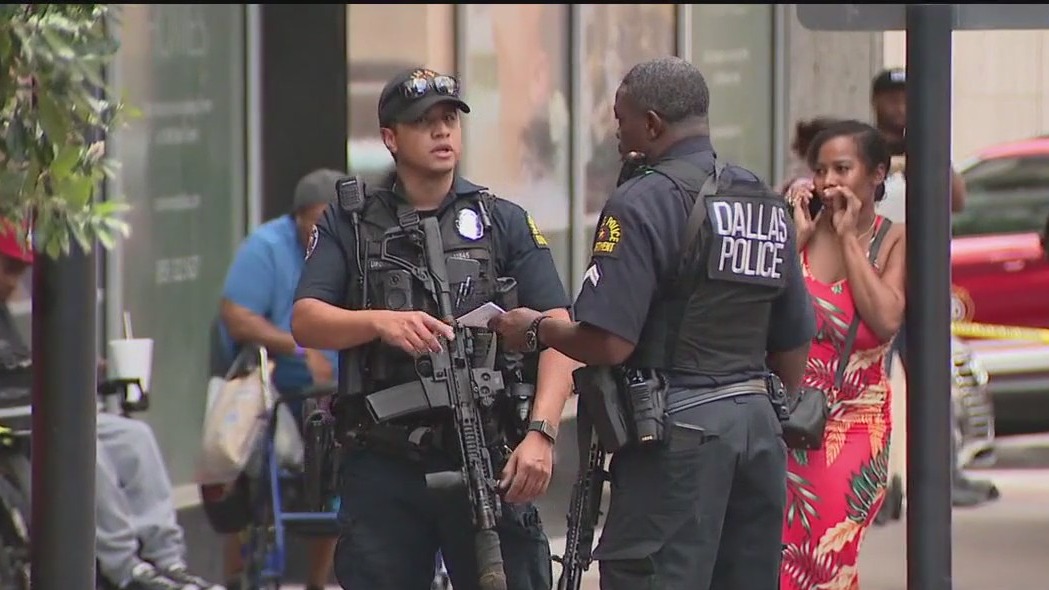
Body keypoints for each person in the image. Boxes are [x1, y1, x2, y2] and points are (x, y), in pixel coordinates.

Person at [490, 56, 815, 590]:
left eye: (622, 121)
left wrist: (536, 329)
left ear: (654, 123)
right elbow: (793, 344)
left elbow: (609, 342)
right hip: (759, 436)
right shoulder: (761, 200)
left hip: (676, 440)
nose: (616, 135)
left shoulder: (641, 202)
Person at [290, 66, 578, 590]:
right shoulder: (351, 224)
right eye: (426, 122)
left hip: (489, 453)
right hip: (385, 462)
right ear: (390, 138)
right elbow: (306, 320)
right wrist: (379, 322)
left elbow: (561, 331)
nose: (443, 132)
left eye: (450, 119)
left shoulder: (501, 220)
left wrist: (542, 434)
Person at [0, 224, 221, 590]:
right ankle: (126, 569)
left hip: (30, 412)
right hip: (16, 426)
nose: (14, 282)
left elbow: (23, 362)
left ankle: (166, 560)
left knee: (134, 437)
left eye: (20, 271)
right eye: (9, 268)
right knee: (83, 444)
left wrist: (83, 368)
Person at [781, 120, 905, 589]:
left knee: (826, 556)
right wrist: (797, 239)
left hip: (851, 426)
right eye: (820, 170)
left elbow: (886, 317)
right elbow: (760, 309)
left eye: (842, 168)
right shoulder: (802, 232)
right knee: (780, 557)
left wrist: (850, 237)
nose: (828, 181)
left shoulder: (894, 239)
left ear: (876, 174)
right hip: (785, 422)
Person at [870, 67, 998, 509]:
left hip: (924, 288)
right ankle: (876, 484)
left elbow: (958, 199)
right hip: (876, 284)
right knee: (871, 388)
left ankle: (944, 477)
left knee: (934, 388)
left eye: (906, 97)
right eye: (891, 97)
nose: (899, 106)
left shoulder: (926, 142)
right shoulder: (864, 149)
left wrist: (929, 146)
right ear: (876, 101)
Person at [217, 169, 342, 590]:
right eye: (313, 221)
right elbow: (236, 317)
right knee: (249, 461)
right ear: (296, 219)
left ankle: (317, 581)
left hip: (346, 390)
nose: (320, 231)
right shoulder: (267, 248)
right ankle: (235, 572)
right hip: (282, 389)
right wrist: (301, 348)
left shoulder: (353, 247)